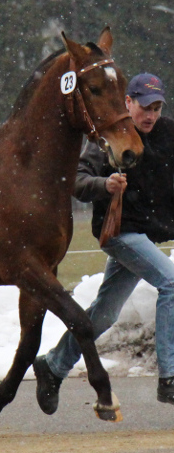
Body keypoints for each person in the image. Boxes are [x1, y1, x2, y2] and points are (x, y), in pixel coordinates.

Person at [33, 73, 174, 414]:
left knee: (106, 313)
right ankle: (169, 377)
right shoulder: (110, 135)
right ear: (128, 102)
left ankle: (52, 366)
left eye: (156, 107)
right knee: (171, 283)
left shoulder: (169, 133)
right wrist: (104, 184)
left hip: (145, 235)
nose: (150, 115)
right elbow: (77, 181)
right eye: (145, 106)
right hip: (120, 234)